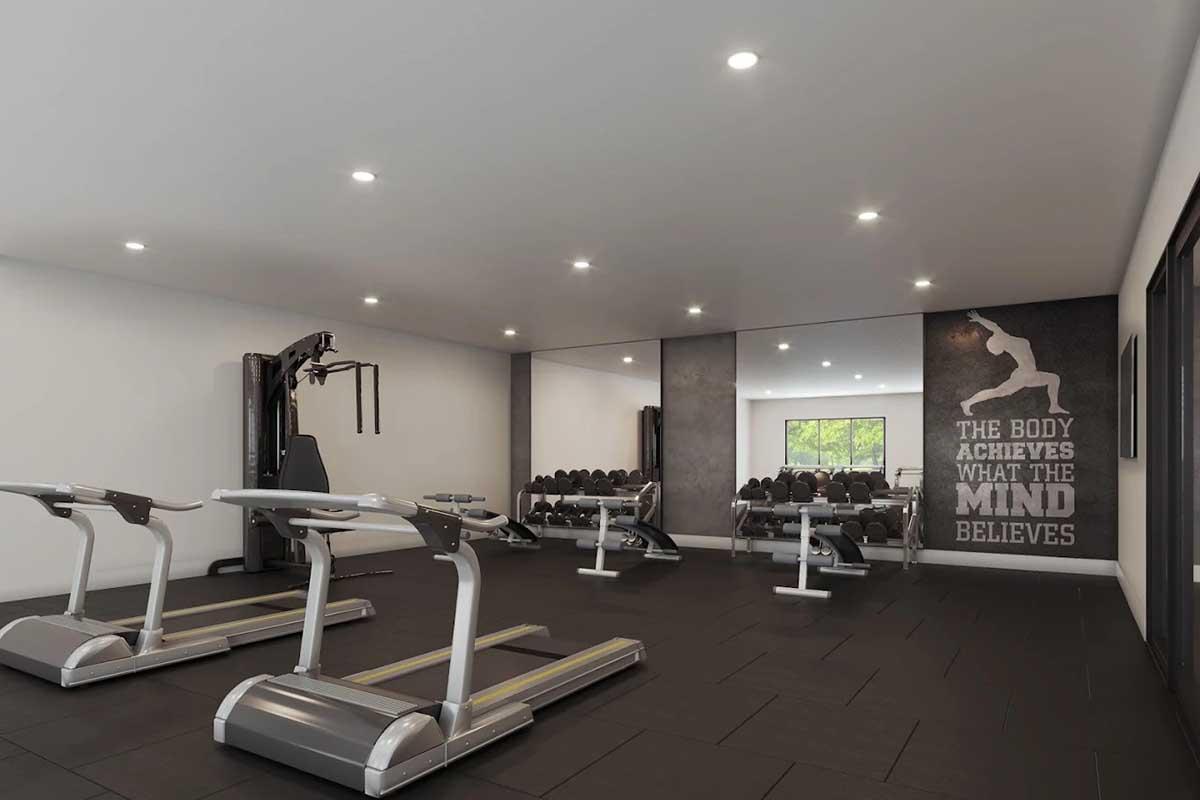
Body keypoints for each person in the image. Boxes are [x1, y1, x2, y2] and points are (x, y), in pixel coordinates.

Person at [960, 310, 1067, 417]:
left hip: (1030, 374)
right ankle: (967, 402)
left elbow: (993, 326)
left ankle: (1054, 406)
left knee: (1054, 378)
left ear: (997, 342)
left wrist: (979, 319)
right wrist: (979, 319)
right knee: (998, 392)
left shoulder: (1003, 337)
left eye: (996, 350)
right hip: (1024, 375)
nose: (999, 352)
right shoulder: (1006, 341)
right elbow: (994, 327)